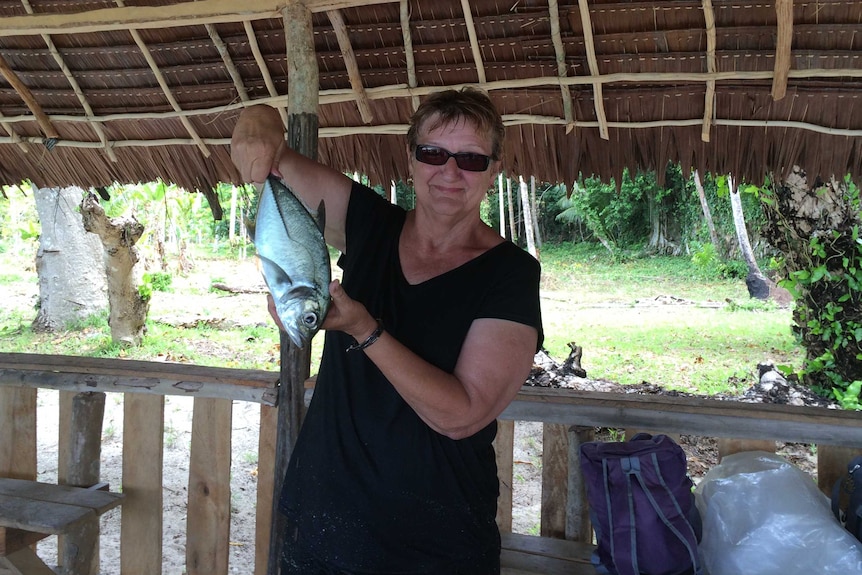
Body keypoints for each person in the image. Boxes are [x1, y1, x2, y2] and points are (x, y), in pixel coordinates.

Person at [231, 87, 543, 575]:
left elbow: (462, 415)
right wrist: (258, 126)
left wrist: (364, 328)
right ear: (411, 159)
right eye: (433, 153)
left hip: (434, 545)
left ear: (495, 170)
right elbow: (274, 157)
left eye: (471, 159)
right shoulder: (370, 223)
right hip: (321, 520)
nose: (450, 171)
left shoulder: (510, 274)